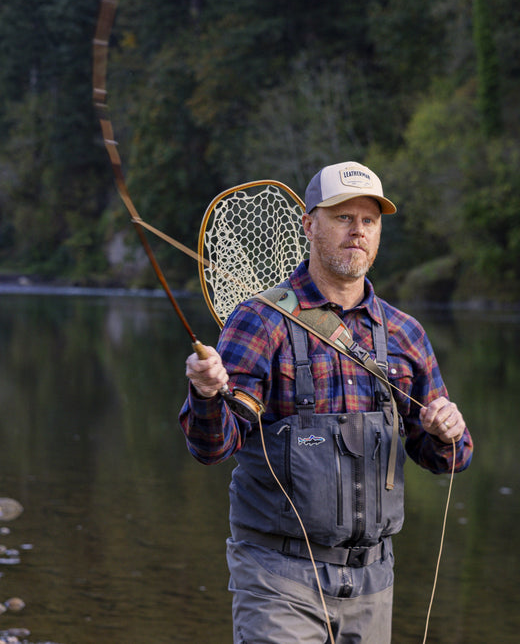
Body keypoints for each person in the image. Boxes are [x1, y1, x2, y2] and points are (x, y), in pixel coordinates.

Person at [180, 161, 473, 644]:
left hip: (374, 583)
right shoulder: (260, 321)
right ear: (309, 225)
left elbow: (451, 458)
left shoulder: (405, 334)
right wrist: (207, 394)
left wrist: (448, 433)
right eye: (342, 217)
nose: (357, 231)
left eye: (369, 221)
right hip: (277, 576)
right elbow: (212, 446)